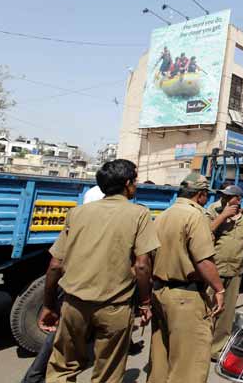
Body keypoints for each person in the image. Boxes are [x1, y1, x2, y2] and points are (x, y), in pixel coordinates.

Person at [39, 159, 160, 383]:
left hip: (73, 304)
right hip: (114, 307)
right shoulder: (139, 214)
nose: (136, 185)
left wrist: (48, 304)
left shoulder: (77, 213)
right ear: (127, 184)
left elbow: (55, 265)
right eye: (135, 181)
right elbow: (142, 265)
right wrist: (145, 303)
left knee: (62, 367)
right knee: (108, 373)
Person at [146, 173, 225, 382]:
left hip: (161, 292)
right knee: (189, 364)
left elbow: (147, 257)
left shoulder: (163, 215)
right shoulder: (196, 216)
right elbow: (204, 260)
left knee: (160, 357)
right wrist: (219, 289)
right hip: (186, 297)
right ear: (200, 194)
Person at [206, 184, 243, 360]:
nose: (223, 199)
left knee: (226, 312)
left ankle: (216, 348)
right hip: (214, 269)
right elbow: (205, 232)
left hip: (235, 269)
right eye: (223, 196)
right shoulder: (214, 212)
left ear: (238, 199)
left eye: (228, 196)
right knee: (207, 309)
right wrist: (223, 216)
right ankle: (201, 345)